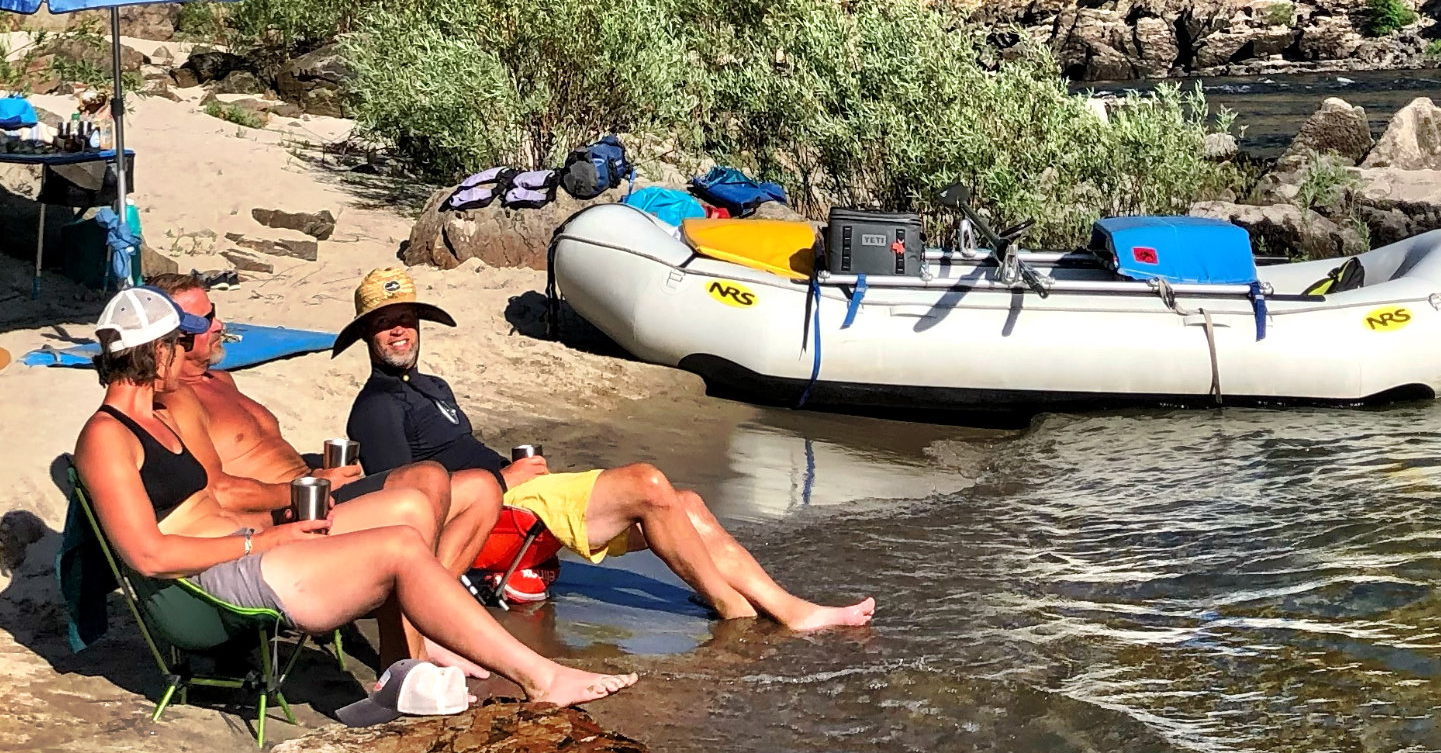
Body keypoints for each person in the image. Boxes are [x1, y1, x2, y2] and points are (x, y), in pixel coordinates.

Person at [73, 286, 636, 706]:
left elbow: (214, 492)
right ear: (155, 352)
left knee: (409, 514)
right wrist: (264, 539)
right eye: (177, 342)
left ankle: (404, 667)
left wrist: (275, 524)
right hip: (214, 585)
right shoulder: (106, 437)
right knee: (399, 547)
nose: (185, 352)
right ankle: (538, 677)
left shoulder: (160, 415)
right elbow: (148, 555)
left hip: (248, 545)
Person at [339, 267, 875, 631]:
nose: (398, 332)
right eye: (384, 324)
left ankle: (783, 607)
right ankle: (735, 611)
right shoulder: (376, 408)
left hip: (519, 494)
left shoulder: (432, 387)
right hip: (495, 516)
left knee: (686, 505)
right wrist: (506, 481)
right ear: (367, 336)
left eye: (404, 320)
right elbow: (411, 505)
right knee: (648, 483)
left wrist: (516, 472)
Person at [143, 273, 501, 671]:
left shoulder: (221, 380)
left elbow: (262, 454)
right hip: (289, 512)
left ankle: (428, 618)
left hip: (312, 489)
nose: (220, 325)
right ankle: (408, 649)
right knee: (426, 480)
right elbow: (219, 493)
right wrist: (306, 486)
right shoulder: (176, 400)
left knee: (482, 488)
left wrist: (316, 472)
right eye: (207, 319)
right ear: (175, 335)